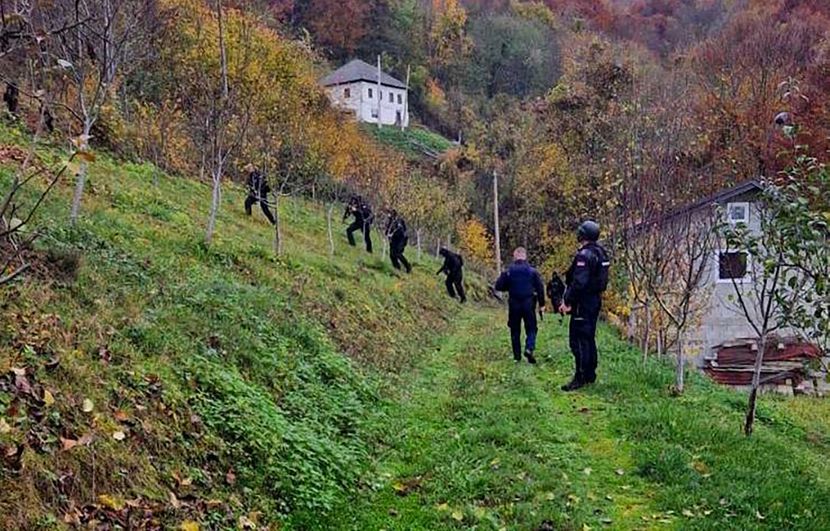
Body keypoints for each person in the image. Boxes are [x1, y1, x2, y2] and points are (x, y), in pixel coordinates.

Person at [559, 220, 610, 391]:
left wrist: (567, 301)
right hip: (594, 300)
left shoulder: (585, 255)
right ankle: (590, 374)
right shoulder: (601, 253)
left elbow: (579, 282)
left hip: (583, 302)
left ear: (583, 234)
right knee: (589, 338)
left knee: (578, 340)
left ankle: (580, 377)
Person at [494, 247, 546, 364]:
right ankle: (529, 348)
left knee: (514, 329)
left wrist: (510, 286)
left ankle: (517, 357)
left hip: (514, 304)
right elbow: (540, 288)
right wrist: (542, 304)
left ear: (515, 256)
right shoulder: (532, 271)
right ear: (525, 256)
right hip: (529, 303)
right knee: (532, 328)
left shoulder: (508, 271)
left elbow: (498, 286)